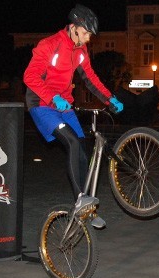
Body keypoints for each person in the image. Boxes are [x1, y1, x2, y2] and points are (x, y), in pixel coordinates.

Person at [23, 4, 124, 208]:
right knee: (72, 143)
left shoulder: (80, 51)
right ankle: (80, 199)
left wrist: (109, 98)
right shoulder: (49, 44)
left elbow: (90, 78)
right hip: (42, 104)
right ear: (74, 27)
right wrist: (53, 98)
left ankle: (86, 208)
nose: (88, 38)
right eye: (86, 33)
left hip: (64, 107)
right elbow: (29, 76)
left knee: (82, 153)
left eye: (90, 35)